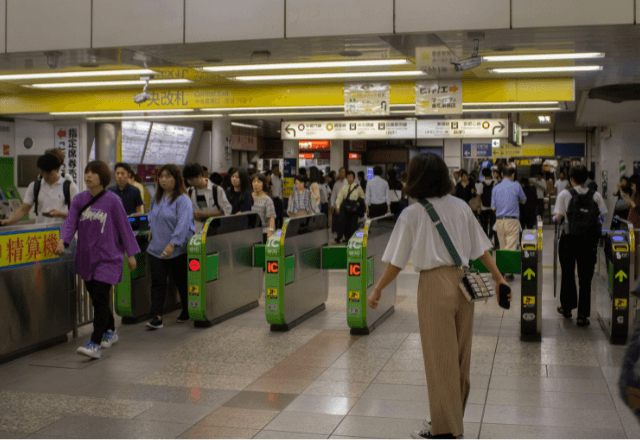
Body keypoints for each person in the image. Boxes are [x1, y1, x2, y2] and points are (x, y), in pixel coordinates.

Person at [366, 153, 510, 440]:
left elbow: (396, 261)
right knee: (459, 358)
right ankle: (449, 418)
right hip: (463, 285)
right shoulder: (460, 207)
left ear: (416, 178)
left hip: (434, 286)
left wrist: (378, 288)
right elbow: (482, 249)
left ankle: (445, 429)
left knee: (438, 359)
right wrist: (498, 278)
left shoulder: (413, 213)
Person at [54, 160, 139, 359]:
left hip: (108, 257)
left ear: (102, 177)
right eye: (87, 172)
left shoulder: (113, 201)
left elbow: (125, 228)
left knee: (101, 297)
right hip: (86, 257)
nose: (88, 176)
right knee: (97, 299)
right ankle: (110, 330)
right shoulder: (79, 200)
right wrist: (62, 242)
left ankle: (95, 342)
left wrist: (131, 255)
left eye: (93, 173)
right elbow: (70, 223)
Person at [554, 165, 607, 327]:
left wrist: (557, 220)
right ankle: (582, 316)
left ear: (571, 178)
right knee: (585, 278)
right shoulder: (596, 195)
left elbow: (558, 217)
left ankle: (567, 307)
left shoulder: (565, 194)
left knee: (568, 274)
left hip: (569, 240)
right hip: (588, 242)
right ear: (586, 178)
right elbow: (603, 216)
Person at [146, 164, 195, 329]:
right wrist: (152, 229)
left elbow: (183, 224)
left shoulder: (183, 200)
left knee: (181, 281)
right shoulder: (157, 198)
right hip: (156, 247)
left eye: (168, 176)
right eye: (161, 177)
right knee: (157, 282)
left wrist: (173, 244)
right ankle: (157, 317)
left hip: (177, 249)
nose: (163, 180)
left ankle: (187, 310)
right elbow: (151, 215)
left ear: (176, 179)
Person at [1, 153, 79, 226]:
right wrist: (8, 222)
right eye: (43, 172)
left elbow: (79, 214)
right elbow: (23, 210)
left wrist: (60, 214)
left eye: (48, 173)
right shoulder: (34, 186)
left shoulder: (70, 187)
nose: (45, 176)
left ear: (58, 169)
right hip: (42, 235)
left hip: (64, 235)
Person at [492, 167, 527, 282]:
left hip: (499, 220)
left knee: (502, 246)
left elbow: (493, 207)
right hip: (512, 220)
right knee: (511, 246)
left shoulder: (496, 188)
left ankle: (501, 270)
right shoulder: (516, 185)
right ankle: (509, 273)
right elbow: (524, 200)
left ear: (502, 174)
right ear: (512, 175)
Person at [183, 163, 232, 232]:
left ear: (200, 175)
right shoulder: (189, 191)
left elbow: (227, 210)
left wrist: (207, 214)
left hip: (216, 232)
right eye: (187, 179)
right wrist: (193, 215)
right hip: (197, 232)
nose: (189, 182)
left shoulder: (216, 190)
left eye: (191, 179)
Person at [336, 171, 366, 244]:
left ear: (354, 178)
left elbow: (362, 196)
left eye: (351, 177)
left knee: (353, 224)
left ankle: (352, 239)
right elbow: (339, 197)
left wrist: (359, 202)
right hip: (345, 208)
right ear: (346, 178)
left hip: (354, 208)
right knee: (345, 223)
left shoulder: (358, 187)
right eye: (348, 177)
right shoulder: (344, 188)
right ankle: (346, 238)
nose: (350, 179)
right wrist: (337, 206)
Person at [251, 173, 277, 243]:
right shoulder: (248, 197)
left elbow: (271, 217)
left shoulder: (267, 199)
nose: (256, 184)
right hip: (251, 232)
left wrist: (270, 231)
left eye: (259, 182)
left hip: (264, 232)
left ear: (263, 184)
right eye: (254, 181)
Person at [476, 168, 498, 248]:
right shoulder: (495, 182)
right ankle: (491, 239)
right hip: (493, 208)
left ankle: (485, 242)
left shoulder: (481, 184)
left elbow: (478, 197)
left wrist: (478, 207)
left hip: (483, 207)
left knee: (484, 224)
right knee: (493, 224)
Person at [330, 167, 347, 239]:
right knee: (338, 220)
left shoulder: (348, 183)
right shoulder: (336, 184)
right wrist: (332, 205)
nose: (341, 174)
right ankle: (339, 236)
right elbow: (333, 195)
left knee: (345, 221)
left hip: (346, 204)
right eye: (340, 172)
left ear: (345, 173)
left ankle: (346, 237)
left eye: (343, 172)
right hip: (338, 204)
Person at [270, 163, 284, 228]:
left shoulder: (278, 178)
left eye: (278, 169)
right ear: (272, 170)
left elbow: (280, 189)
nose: (278, 170)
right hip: (274, 199)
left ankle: (279, 229)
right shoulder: (271, 178)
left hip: (279, 199)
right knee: (275, 216)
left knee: (280, 216)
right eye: (276, 169)